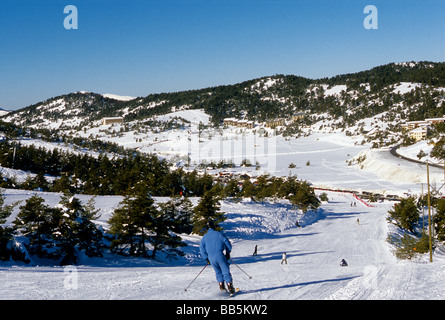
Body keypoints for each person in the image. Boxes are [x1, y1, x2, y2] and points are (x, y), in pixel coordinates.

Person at [199, 221, 235, 294]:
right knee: (225, 271)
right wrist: (227, 253)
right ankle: (229, 285)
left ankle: (221, 285)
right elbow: (228, 244)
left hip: (211, 258)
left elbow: (202, 249)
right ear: (213, 227)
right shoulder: (219, 234)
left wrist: (206, 258)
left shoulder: (204, 237)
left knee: (218, 272)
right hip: (220, 255)